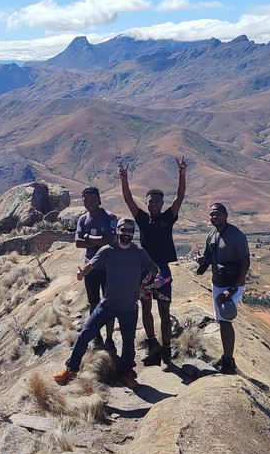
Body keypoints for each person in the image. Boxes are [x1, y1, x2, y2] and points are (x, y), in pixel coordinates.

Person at [55, 217, 159, 388]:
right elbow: (90, 265)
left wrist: (156, 280)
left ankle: (125, 374)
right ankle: (71, 369)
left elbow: (155, 269)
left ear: (133, 233)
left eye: (129, 231)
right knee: (85, 334)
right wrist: (82, 273)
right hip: (108, 304)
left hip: (129, 308)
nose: (126, 233)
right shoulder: (107, 250)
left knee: (128, 344)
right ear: (117, 231)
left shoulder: (139, 252)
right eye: (123, 230)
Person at [118, 156, 186, 368]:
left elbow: (180, 197)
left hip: (163, 270)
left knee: (164, 311)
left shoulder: (168, 217)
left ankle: (166, 353)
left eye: (157, 201)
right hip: (144, 269)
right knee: (145, 307)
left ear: (162, 203)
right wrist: (124, 180)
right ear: (146, 203)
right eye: (150, 201)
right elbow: (129, 200)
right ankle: (152, 345)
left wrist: (182, 175)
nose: (154, 204)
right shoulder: (142, 218)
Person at [196, 202, 250, 374]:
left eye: (218, 214)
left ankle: (229, 362)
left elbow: (245, 262)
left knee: (226, 321)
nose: (214, 217)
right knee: (221, 320)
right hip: (218, 283)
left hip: (232, 285)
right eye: (211, 214)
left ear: (226, 215)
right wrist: (201, 261)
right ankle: (226, 357)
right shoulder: (211, 236)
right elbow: (207, 258)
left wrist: (233, 288)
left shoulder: (236, 235)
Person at [75, 185, 117, 349]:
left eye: (93, 199)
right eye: (87, 200)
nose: (90, 203)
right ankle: (96, 335)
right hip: (90, 268)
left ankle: (110, 338)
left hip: (109, 267)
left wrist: (87, 237)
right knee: (93, 302)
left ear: (99, 199)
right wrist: (97, 239)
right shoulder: (82, 219)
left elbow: (109, 239)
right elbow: (78, 243)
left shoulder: (110, 217)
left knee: (110, 303)